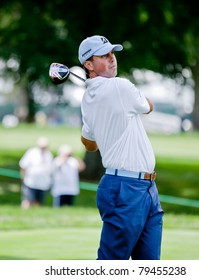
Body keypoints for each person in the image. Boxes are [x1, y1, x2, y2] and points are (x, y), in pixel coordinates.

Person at [78, 35, 164, 260]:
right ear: (89, 65)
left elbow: (89, 144)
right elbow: (149, 107)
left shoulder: (87, 99)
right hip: (125, 188)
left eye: (112, 54)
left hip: (145, 187)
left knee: (149, 265)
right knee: (111, 264)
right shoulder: (121, 86)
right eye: (104, 56)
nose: (112, 59)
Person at [19, 137, 53, 208]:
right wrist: (22, 177)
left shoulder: (49, 154)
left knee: (39, 202)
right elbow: (23, 166)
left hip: (43, 183)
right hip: (30, 182)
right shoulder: (31, 152)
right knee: (27, 200)